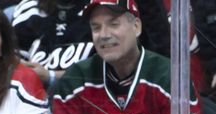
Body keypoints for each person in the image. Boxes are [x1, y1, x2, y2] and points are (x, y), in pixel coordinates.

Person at [49, 0, 202, 114]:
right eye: (96, 27)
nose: (104, 35)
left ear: (136, 27)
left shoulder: (169, 75)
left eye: (114, 24)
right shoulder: (77, 78)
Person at [10, 0, 170, 92]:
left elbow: (124, 69)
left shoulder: (107, 7)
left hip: (95, 103)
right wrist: (22, 70)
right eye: (96, 27)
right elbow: (9, 65)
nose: (104, 33)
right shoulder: (28, 9)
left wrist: (51, 76)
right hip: (32, 101)